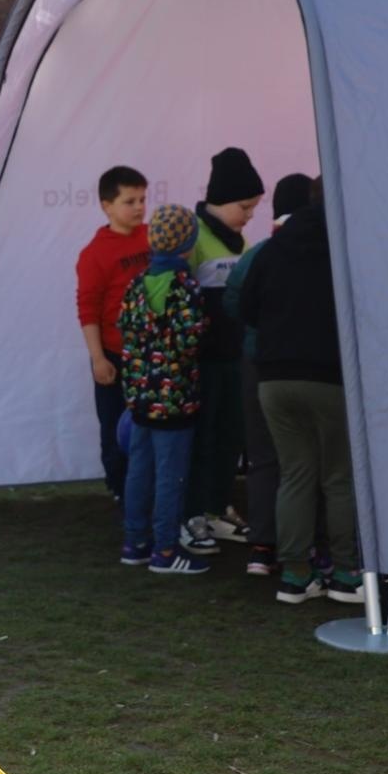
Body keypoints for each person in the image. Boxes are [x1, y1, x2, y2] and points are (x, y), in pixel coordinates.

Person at [239, 179, 364, 605]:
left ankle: (295, 575)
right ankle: (346, 574)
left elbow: (244, 307)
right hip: (331, 377)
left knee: (294, 475)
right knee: (338, 478)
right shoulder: (350, 250)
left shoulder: (272, 249)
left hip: (273, 379)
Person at [223, 172, 312, 576]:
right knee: (303, 461)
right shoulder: (317, 250)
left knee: (262, 457)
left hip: (255, 365)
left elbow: (233, 306)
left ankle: (262, 546)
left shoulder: (254, 254)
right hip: (301, 368)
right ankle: (303, 549)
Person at [118, 204, 210, 575]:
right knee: (170, 476)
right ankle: (166, 551)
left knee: (138, 471)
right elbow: (192, 340)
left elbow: (122, 328)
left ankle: (135, 543)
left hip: (140, 399)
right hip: (175, 401)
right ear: (187, 245)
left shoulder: (135, 284)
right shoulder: (186, 287)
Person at [183, 146, 264, 554]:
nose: (249, 215)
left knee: (231, 436)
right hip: (203, 361)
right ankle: (194, 512)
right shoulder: (194, 236)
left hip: (235, 357)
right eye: (245, 206)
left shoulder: (242, 241)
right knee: (204, 437)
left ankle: (217, 507)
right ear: (222, 199)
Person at [76, 165, 150, 510]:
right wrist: (98, 358)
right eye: (129, 201)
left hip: (154, 356)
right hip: (116, 357)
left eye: (142, 199)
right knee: (116, 429)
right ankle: (122, 491)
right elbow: (88, 309)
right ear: (107, 205)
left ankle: (148, 488)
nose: (138, 207)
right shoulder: (95, 253)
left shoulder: (153, 238)